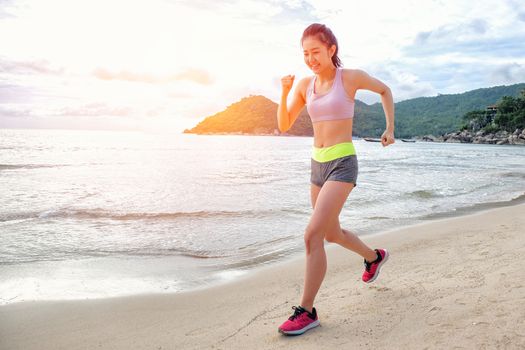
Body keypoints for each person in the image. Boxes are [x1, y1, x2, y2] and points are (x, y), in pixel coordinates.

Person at [276, 23, 395, 336]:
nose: (310, 58)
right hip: (317, 165)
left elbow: (385, 90)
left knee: (311, 235)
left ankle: (307, 311)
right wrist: (285, 91)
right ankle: (374, 257)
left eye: (316, 51)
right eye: (305, 53)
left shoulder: (350, 78)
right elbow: (285, 124)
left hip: (343, 164)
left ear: (331, 49)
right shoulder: (305, 85)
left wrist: (389, 128)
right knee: (330, 234)